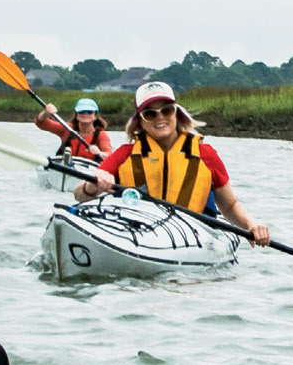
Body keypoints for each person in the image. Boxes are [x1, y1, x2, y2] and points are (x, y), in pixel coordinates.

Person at [74, 81, 270, 245]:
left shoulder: (205, 154)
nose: (160, 117)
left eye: (166, 110)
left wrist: (251, 225)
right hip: (138, 233)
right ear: (140, 121)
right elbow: (79, 194)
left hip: (194, 235)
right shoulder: (125, 154)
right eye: (150, 114)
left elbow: (229, 205)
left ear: (176, 114)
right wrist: (93, 184)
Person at [38, 97, 117, 166]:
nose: (85, 114)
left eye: (89, 112)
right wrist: (46, 112)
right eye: (81, 111)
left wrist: (99, 153)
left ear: (95, 116)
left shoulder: (101, 135)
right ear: (76, 115)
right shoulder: (67, 128)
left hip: (88, 172)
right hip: (65, 167)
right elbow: (41, 123)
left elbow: (109, 155)